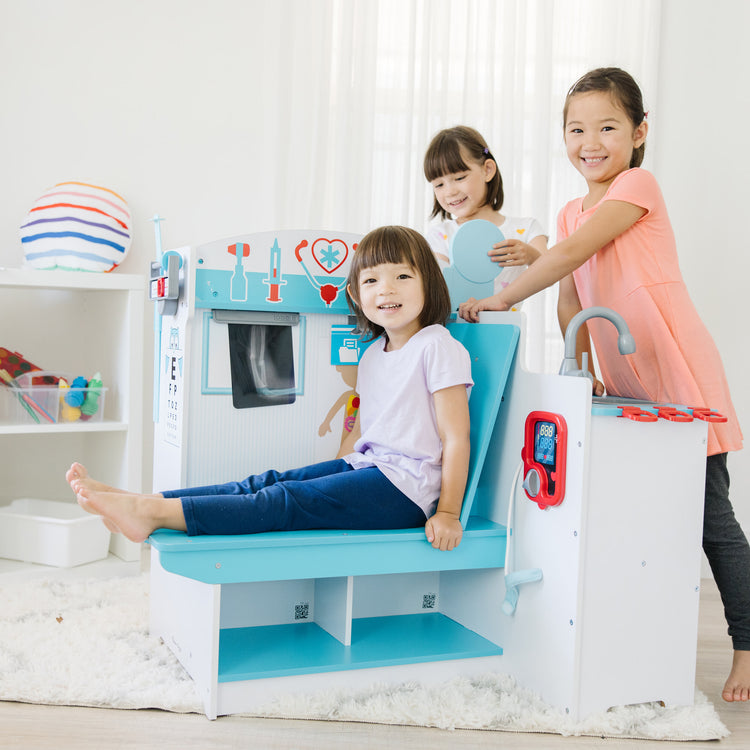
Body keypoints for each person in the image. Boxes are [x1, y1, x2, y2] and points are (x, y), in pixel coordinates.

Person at [458, 67, 749, 702]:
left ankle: (748, 647)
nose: (590, 142)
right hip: (624, 374)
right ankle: (638, 642)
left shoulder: (637, 185)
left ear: (639, 132)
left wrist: (500, 299)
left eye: (608, 127)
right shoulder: (569, 211)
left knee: (710, 520)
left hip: (676, 370)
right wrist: (580, 367)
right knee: (644, 516)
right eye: (576, 129)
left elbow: (566, 257)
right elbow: (571, 295)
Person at [67, 226, 472, 552]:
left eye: (403, 276)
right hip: (370, 470)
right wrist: (330, 477)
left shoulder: (436, 345)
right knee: (271, 482)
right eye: (372, 279)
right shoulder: (371, 356)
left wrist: (448, 512)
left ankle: (146, 512)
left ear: (428, 284)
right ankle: (149, 501)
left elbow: (456, 437)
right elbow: (359, 433)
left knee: (283, 502)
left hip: (406, 490)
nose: (387, 289)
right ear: (356, 295)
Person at [423, 125, 548, 299]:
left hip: (507, 326)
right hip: (454, 327)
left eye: (459, 178)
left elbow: (551, 269)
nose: (449, 192)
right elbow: (439, 289)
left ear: (487, 170)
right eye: (439, 185)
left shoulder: (527, 228)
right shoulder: (440, 235)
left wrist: (530, 255)